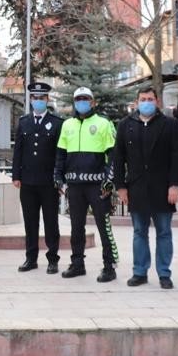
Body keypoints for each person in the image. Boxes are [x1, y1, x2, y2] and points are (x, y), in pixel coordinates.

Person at [112, 86, 178, 290]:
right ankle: (140, 272)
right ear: (136, 102)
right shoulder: (126, 125)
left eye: (150, 99)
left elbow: (177, 157)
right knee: (139, 232)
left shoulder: (169, 125)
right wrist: (120, 187)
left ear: (157, 102)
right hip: (136, 188)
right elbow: (118, 158)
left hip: (163, 189)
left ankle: (164, 273)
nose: (146, 102)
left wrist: (175, 185)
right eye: (143, 99)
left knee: (164, 232)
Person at [54, 86, 120, 282]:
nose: (82, 102)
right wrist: (58, 176)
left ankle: (109, 266)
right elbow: (60, 155)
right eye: (78, 99)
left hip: (97, 185)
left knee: (103, 225)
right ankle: (77, 263)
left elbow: (113, 155)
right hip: (74, 185)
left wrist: (109, 181)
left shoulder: (103, 123)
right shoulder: (67, 125)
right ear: (74, 102)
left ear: (93, 102)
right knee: (76, 227)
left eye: (86, 99)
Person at [11, 82, 64, 274]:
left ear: (47, 99)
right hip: (28, 182)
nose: (38, 101)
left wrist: (59, 178)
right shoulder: (24, 122)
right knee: (30, 222)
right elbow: (18, 151)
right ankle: (30, 258)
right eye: (35, 98)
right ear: (30, 100)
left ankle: (53, 259)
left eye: (42, 98)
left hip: (49, 183)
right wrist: (16, 175)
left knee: (51, 222)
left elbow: (60, 153)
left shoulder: (57, 123)